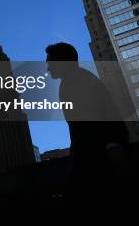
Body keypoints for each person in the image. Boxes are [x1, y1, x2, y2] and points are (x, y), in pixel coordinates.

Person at [45, 43, 129, 206]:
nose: (48, 68)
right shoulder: (70, 83)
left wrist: (113, 145)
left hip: (97, 160)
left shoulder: (79, 81)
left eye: (50, 62)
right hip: (91, 156)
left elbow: (105, 115)